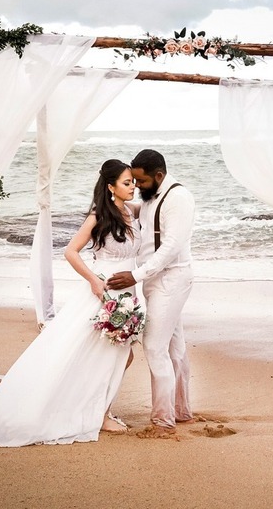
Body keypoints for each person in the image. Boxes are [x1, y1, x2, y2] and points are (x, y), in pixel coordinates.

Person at [0, 159, 140, 446]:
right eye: (126, 182)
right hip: (104, 291)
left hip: (128, 292)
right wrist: (94, 282)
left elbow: (157, 210)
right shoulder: (98, 216)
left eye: (133, 181)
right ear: (111, 187)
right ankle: (100, 413)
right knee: (105, 354)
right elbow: (71, 252)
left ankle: (98, 408)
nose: (132, 186)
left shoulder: (129, 212)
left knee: (120, 355)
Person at [107, 148, 195, 437]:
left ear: (158, 175)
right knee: (175, 347)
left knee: (154, 347)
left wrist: (134, 274)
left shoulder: (178, 199)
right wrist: (112, 202)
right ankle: (181, 411)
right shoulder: (149, 197)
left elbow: (170, 248)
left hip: (171, 278)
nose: (137, 187)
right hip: (155, 280)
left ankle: (162, 420)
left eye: (141, 182)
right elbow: (143, 213)